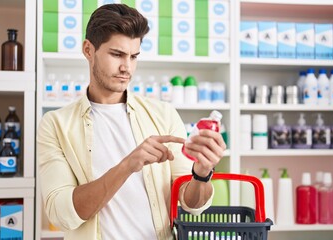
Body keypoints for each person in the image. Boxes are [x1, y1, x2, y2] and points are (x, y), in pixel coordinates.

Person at [37, 3, 226, 240]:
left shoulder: (163, 114)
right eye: (117, 54)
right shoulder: (56, 124)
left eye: (134, 56)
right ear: (88, 49)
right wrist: (127, 165)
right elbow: (61, 213)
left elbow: (191, 204)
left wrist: (201, 173)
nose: (126, 67)